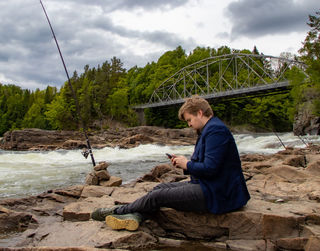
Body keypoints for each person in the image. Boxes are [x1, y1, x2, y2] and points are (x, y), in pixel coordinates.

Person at [91, 95, 250, 231]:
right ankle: (136, 216)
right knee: (159, 188)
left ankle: (117, 211)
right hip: (211, 186)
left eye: (189, 119)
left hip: (219, 194)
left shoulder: (216, 131)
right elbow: (205, 165)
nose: (188, 124)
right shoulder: (208, 130)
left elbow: (210, 168)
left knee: (158, 196)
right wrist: (183, 164)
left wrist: (186, 164)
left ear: (200, 113)